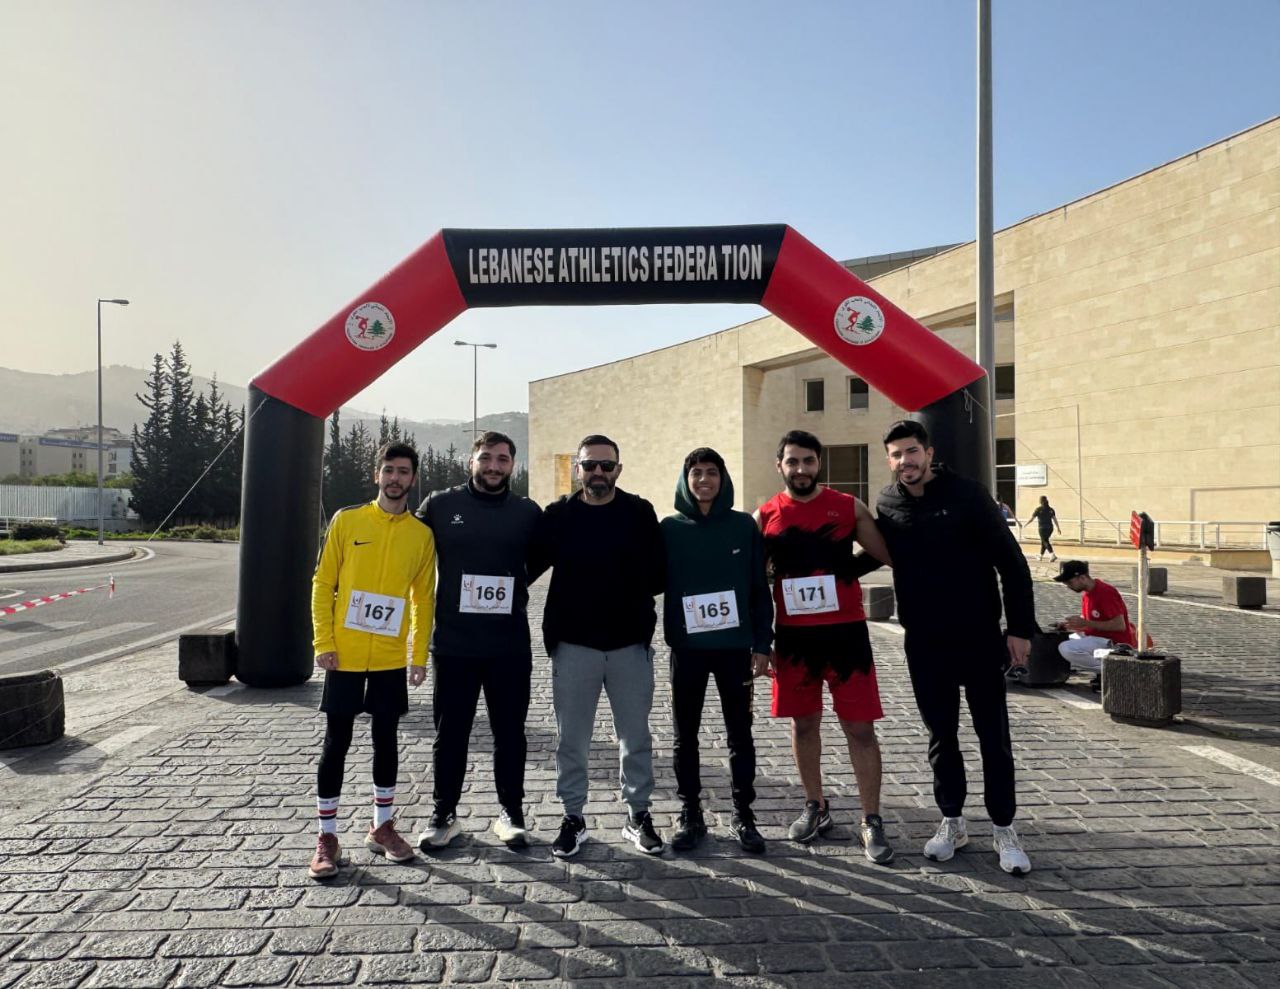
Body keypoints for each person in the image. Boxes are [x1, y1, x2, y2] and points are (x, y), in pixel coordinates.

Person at [875, 420, 1035, 876]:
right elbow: (876, 550)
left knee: (992, 736)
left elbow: (1012, 563)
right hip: (924, 642)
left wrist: (1020, 629)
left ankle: (1004, 827)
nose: (905, 461)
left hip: (979, 636)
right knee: (941, 736)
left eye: (911, 452)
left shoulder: (968, 495)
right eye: (896, 455)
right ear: (889, 460)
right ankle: (952, 821)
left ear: (927, 452)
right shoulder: (887, 503)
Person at [755, 430, 896, 865]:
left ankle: (871, 818)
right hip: (795, 640)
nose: (801, 469)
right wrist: (760, 640)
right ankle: (816, 805)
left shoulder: (846, 507)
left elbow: (887, 552)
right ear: (779, 465)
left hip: (846, 637)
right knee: (803, 726)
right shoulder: (764, 516)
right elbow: (754, 582)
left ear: (819, 464)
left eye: (809, 461)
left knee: (860, 729)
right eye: (793, 461)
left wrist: (847, 569)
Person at [531, 435, 666, 857]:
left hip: (628, 647)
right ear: (577, 469)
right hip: (574, 648)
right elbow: (522, 568)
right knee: (571, 739)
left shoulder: (640, 513)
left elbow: (662, 574)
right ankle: (573, 816)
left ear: (619, 470)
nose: (598, 474)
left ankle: (638, 814)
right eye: (590, 466)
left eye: (606, 466)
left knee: (636, 737)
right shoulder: (558, 516)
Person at [308, 442, 436, 880]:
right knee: (336, 743)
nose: (395, 478)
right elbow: (323, 583)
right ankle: (327, 837)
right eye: (388, 470)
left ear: (413, 479)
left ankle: (381, 827)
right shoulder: (348, 521)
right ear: (376, 475)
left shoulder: (421, 535)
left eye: (403, 472)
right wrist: (323, 641)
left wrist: (417, 656)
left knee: (386, 740)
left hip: (387, 660)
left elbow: (423, 600)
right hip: (342, 656)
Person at [414, 431, 542, 850]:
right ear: (471, 462)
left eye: (502, 459)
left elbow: (539, 561)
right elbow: (404, 547)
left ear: (512, 465)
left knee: (510, 733)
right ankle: (444, 814)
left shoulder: (527, 512)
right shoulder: (440, 504)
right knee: (450, 734)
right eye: (486, 458)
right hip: (453, 644)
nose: (493, 466)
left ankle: (512, 813)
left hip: (508, 645)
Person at [661, 447, 772, 854]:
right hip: (687, 650)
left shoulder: (744, 527)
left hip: (734, 651)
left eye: (711, 472)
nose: (704, 480)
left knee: (740, 735)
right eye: (696, 473)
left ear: (722, 479)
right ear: (685, 480)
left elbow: (761, 590)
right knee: (683, 736)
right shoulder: (669, 529)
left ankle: (744, 815)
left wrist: (763, 643)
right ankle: (690, 813)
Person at [1053, 559, 1137, 687]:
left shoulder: (1105, 592)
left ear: (1082, 578)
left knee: (1066, 648)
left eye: (1070, 582)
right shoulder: (1088, 594)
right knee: (1057, 641)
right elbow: (1091, 620)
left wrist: (1085, 622)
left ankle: (1114, 669)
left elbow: (1120, 626)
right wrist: (1069, 625)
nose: (1068, 587)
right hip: (1095, 636)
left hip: (1112, 641)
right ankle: (1101, 670)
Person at [1027, 495, 1062, 561]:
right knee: (1044, 541)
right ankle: (1040, 556)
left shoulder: (1038, 509)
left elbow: (1031, 519)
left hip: (1042, 528)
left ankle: (1052, 554)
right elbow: (1055, 519)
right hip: (1050, 528)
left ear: (1040, 501)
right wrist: (1058, 528)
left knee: (1045, 541)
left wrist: (1025, 524)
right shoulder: (1051, 509)